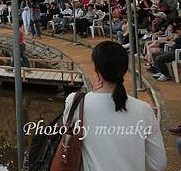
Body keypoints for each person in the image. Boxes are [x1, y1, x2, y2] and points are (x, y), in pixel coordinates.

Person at [63, 41, 166, 171]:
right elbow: (158, 164)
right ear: (124, 70)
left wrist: (91, 93)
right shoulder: (144, 109)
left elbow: (68, 131)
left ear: (95, 68)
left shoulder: (76, 103)